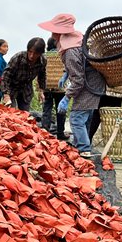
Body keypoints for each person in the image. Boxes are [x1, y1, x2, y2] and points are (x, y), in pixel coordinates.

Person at [38, 13, 106, 158]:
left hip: (88, 85)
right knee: (85, 118)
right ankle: (82, 147)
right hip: (95, 84)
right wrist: (66, 73)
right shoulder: (77, 39)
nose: (51, 33)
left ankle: (83, 149)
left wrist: (67, 97)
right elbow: (79, 65)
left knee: (76, 118)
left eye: (53, 30)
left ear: (59, 31)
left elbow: (79, 79)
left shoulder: (70, 50)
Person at [0, 37, 47, 111]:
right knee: (10, 114)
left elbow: (42, 75)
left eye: (35, 54)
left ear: (40, 53)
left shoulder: (42, 61)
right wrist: (6, 95)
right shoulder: (18, 58)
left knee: (25, 115)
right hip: (11, 88)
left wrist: (41, 91)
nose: (31, 55)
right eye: (30, 52)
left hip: (26, 90)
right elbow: (6, 76)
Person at [41, 37, 68, 140]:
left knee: (46, 109)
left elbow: (41, 72)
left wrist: (40, 88)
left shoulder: (44, 56)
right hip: (60, 88)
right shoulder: (62, 55)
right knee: (60, 110)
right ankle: (60, 133)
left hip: (47, 86)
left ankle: (44, 132)